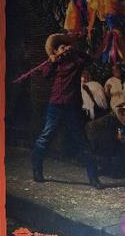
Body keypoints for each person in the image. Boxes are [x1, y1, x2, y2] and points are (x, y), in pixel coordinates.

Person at [13, 33, 102, 188]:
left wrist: (74, 51)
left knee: (82, 142)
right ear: (55, 50)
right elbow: (46, 74)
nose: (65, 49)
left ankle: (94, 178)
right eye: (62, 47)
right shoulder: (54, 63)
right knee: (46, 136)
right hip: (55, 106)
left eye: (67, 46)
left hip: (72, 107)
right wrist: (53, 61)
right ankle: (37, 169)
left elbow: (88, 59)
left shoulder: (76, 61)